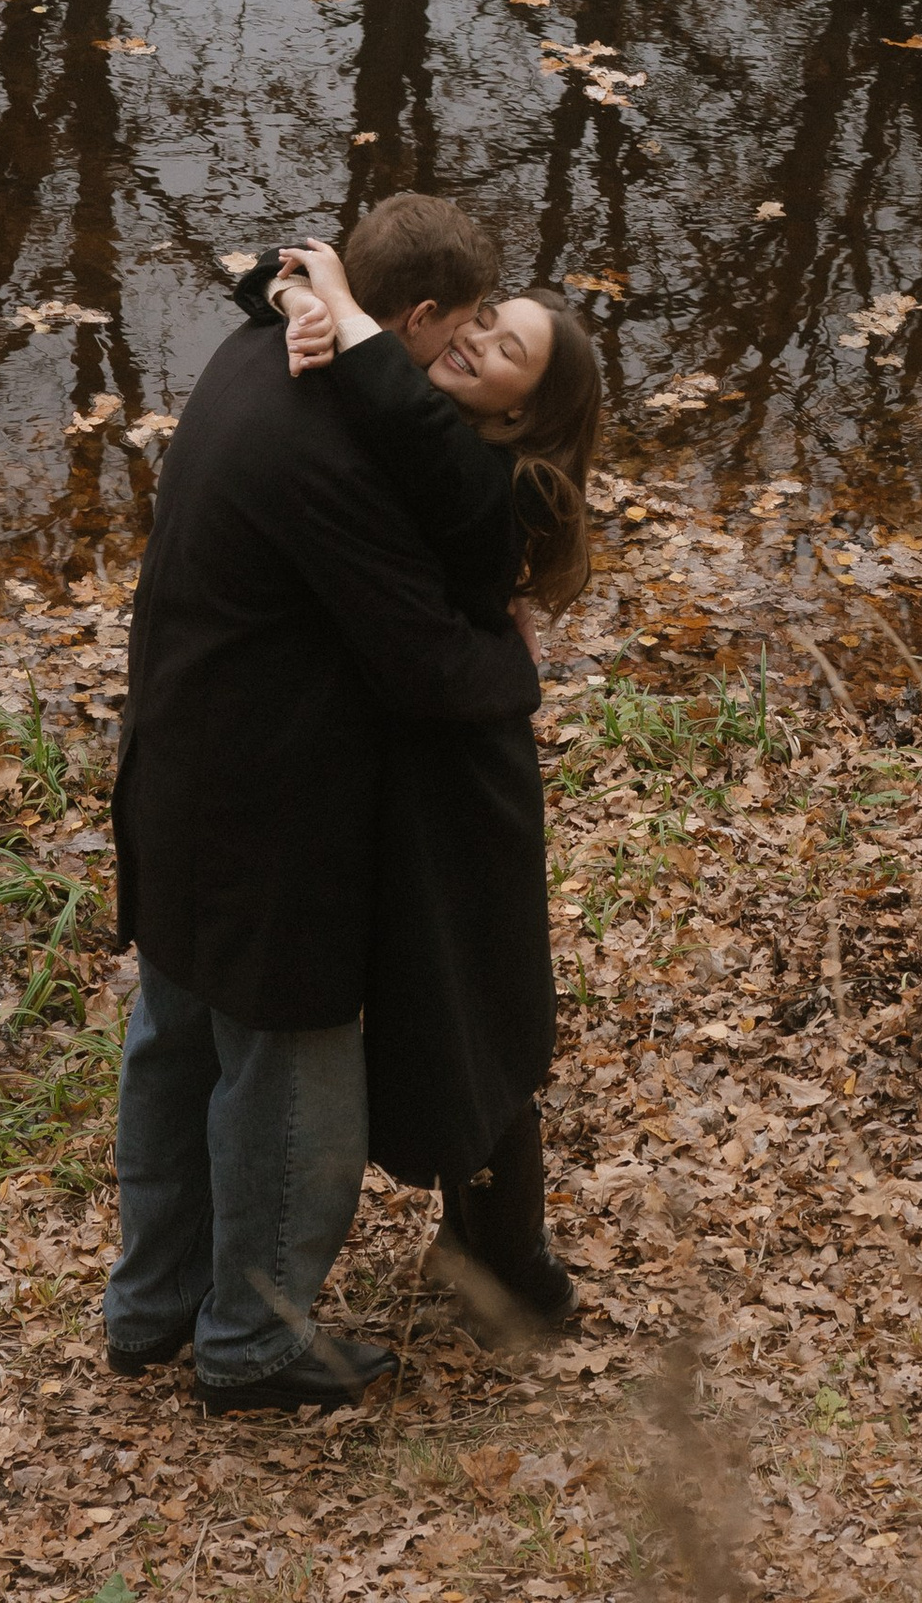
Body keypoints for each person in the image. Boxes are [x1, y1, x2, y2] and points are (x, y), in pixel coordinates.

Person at [105, 193, 536, 1415]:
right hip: (267, 813)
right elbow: (420, 654)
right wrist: (513, 668)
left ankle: (151, 1308)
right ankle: (251, 1341)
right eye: (453, 336)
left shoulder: (255, 357)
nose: (458, 359)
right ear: (408, 316)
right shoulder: (326, 449)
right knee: (292, 1080)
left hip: (179, 763)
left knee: (175, 1046)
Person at [276, 241, 603, 1326]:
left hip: (471, 775)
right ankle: (477, 1244)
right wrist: (295, 291)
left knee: (485, 1011)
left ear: (520, 413)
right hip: (430, 758)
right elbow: (285, 269)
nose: (470, 336)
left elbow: (404, 426)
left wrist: (334, 310)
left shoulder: (499, 485)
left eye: (504, 346)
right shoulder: (441, 433)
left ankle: (517, 1271)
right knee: (449, 1004)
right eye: (484, 317)